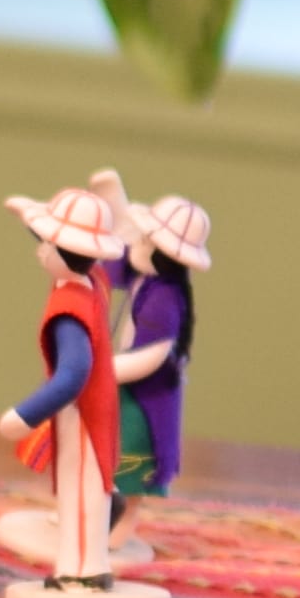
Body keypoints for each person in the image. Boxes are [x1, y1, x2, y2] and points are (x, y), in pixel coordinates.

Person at [0, 183, 162, 598]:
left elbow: (72, 374)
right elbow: (66, 244)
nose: (39, 251)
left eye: (45, 243)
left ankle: (85, 572)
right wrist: (31, 214)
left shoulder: (70, 307)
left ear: (63, 251)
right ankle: (75, 568)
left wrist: (24, 415)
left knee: (82, 492)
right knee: (81, 490)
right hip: (95, 408)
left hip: (82, 411)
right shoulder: (95, 279)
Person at [109, 190, 210, 501]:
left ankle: (119, 527)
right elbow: (116, 246)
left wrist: (103, 371)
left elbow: (152, 356)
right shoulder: (144, 277)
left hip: (142, 397)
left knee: (131, 463)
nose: (136, 245)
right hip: (123, 383)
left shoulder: (164, 298)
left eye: (146, 240)